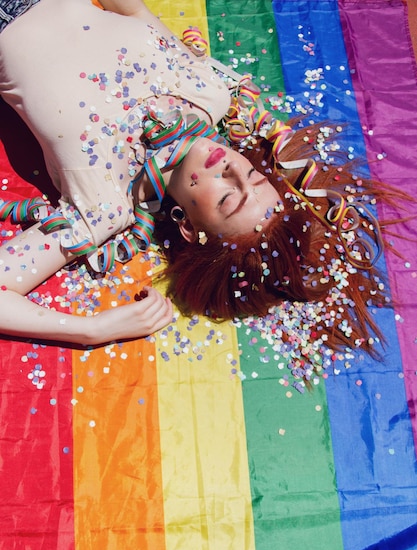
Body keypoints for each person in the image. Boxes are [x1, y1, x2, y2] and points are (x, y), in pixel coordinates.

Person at [0, 0, 404, 358]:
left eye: (229, 199)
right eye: (253, 176)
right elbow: (134, 11)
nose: (231, 168)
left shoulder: (104, 206)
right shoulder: (209, 95)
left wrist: (92, 330)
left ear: (191, 228)